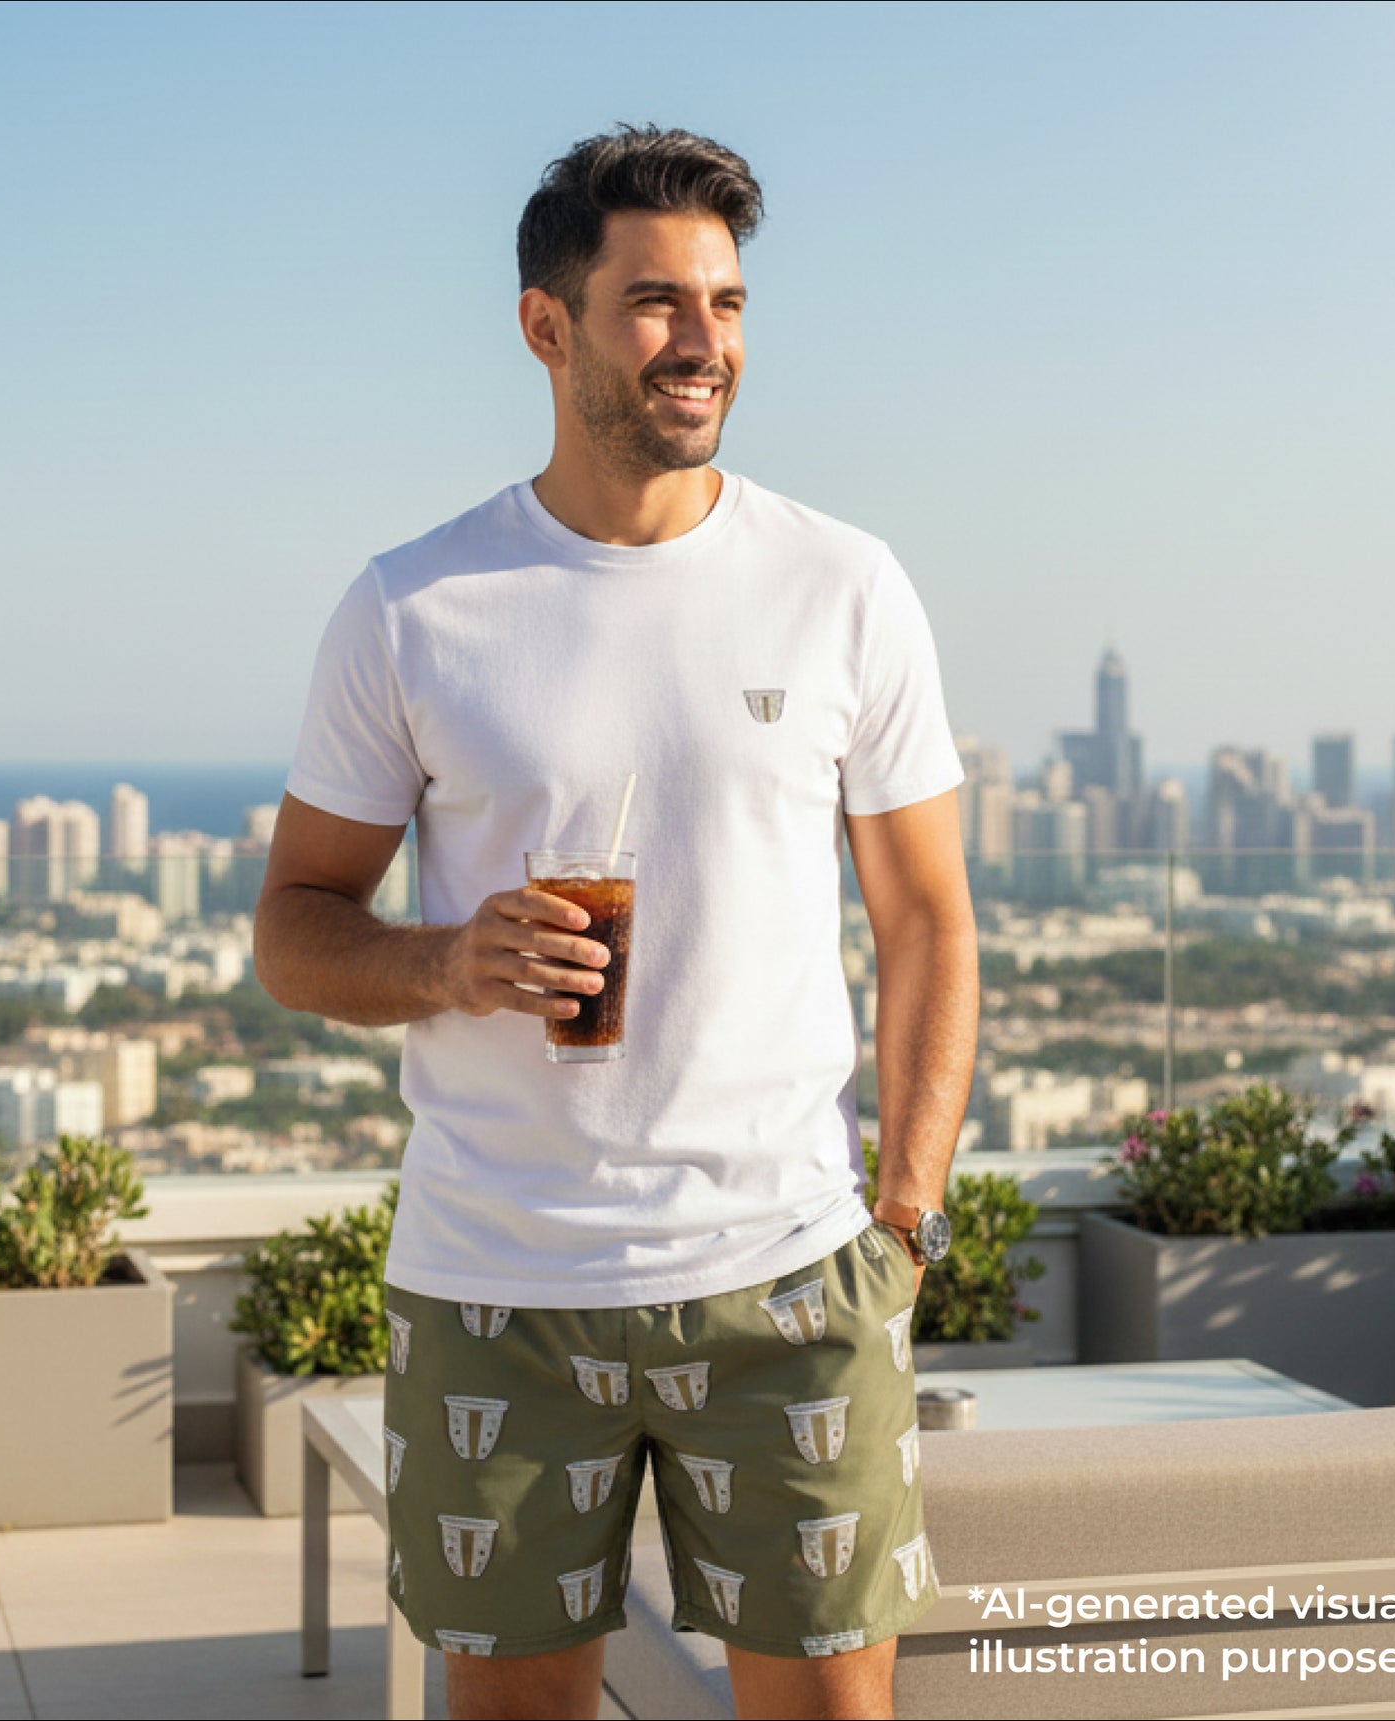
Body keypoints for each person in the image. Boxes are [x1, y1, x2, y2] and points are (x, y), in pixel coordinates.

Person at [254, 123, 978, 1721]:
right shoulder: (412, 606)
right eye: (655, 299)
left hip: (791, 1276)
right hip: (494, 1285)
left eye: (725, 300)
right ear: (545, 324)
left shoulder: (843, 585)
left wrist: (903, 1226)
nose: (704, 339)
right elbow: (295, 928)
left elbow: (927, 921)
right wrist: (447, 959)